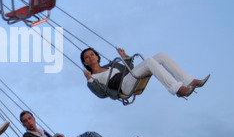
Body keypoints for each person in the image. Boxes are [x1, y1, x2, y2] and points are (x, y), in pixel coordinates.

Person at [81, 47, 210, 100]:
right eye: (87, 57)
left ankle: (188, 80)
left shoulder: (111, 65)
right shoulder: (92, 78)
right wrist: (90, 80)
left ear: (97, 56)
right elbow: (101, 94)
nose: (90, 57)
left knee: (161, 56)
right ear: (85, 63)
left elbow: (129, 67)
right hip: (122, 87)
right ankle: (178, 90)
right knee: (148, 62)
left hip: (128, 78)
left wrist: (124, 56)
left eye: (92, 54)